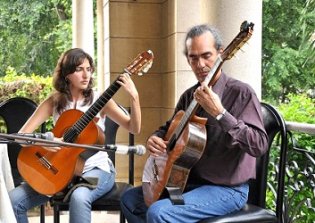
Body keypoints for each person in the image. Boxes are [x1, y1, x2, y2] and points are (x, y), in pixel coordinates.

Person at [120, 24, 269, 222]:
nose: (200, 64)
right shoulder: (189, 96)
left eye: (206, 55)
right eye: (193, 57)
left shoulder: (241, 93)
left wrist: (220, 113)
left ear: (221, 54)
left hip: (226, 190)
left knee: (159, 212)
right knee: (130, 199)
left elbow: (259, 145)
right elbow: (168, 129)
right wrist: (154, 138)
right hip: (186, 184)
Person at [9, 48, 141, 223]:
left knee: (79, 197)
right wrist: (46, 142)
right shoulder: (54, 102)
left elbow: (134, 128)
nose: (86, 75)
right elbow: (20, 137)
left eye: (89, 69)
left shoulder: (100, 99)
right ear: (66, 74)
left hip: (96, 170)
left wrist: (134, 97)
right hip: (58, 169)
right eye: (79, 69)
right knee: (13, 201)